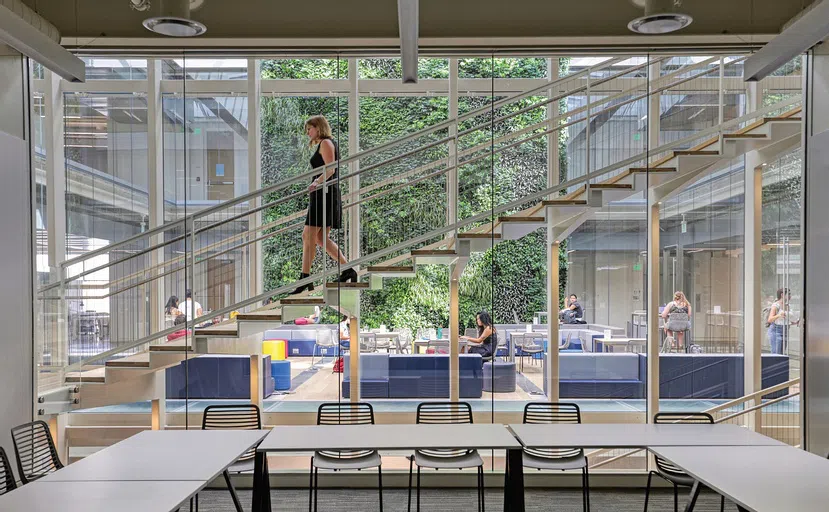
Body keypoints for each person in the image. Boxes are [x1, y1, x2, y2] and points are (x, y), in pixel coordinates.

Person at [293, 115, 357, 294]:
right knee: (319, 238)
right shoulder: (325, 144)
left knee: (308, 235)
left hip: (325, 193)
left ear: (319, 128)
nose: (308, 133)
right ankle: (347, 269)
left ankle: (306, 278)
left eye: (310, 129)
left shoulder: (326, 143)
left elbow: (331, 169)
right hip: (322, 193)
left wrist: (316, 182)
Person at [767, 288, 797, 355]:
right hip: (776, 331)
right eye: (788, 294)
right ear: (782, 295)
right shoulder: (775, 305)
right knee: (776, 354)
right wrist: (778, 315)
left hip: (785, 331)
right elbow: (769, 319)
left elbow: (785, 320)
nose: (790, 296)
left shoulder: (788, 305)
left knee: (782, 354)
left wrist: (795, 322)